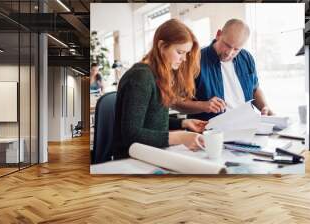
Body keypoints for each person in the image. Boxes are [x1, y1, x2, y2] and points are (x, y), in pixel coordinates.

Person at [111, 19, 208, 159]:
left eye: (186, 53)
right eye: (180, 52)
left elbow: (153, 120)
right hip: (132, 159)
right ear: (162, 45)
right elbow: (131, 134)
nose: (184, 59)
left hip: (151, 153)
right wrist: (180, 137)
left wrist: (184, 123)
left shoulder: (157, 74)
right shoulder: (140, 76)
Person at [174, 19, 274, 121]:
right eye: (227, 45)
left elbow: (255, 89)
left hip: (248, 126)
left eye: (236, 49)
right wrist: (203, 105)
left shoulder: (246, 57)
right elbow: (175, 102)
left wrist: (264, 107)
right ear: (218, 34)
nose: (229, 53)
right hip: (210, 132)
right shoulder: (194, 60)